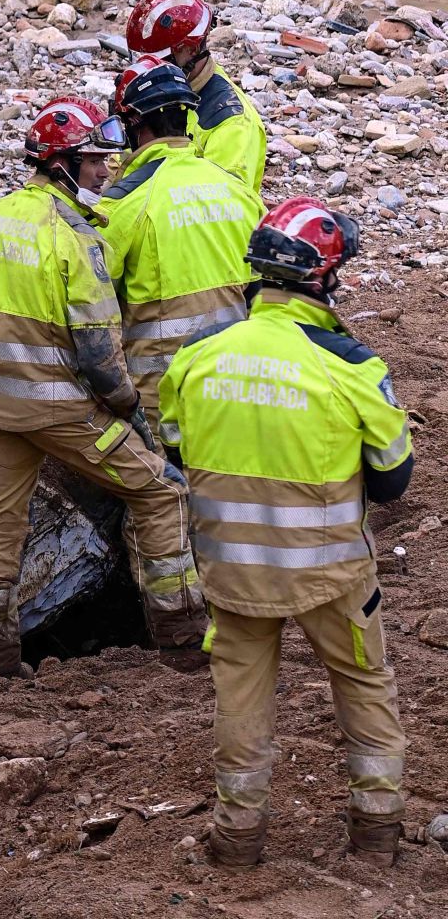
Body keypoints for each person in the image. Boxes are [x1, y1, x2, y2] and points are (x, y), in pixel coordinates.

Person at [160, 198, 413, 867]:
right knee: (363, 684)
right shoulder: (353, 366)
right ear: (322, 279)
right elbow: (393, 479)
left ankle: (238, 838)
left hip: (234, 575)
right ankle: (376, 835)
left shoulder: (196, 357)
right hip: (331, 575)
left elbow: (176, 449)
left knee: (241, 701)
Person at [0, 98, 206, 673]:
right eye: (94, 162)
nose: (106, 172)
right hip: (63, 411)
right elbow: (98, 354)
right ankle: (183, 639)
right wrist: (129, 408)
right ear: (62, 163)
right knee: (161, 492)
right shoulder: (76, 238)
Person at [97, 58, 262, 432]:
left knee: (165, 486)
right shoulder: (238, 192)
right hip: (236, 383)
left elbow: (88, 300)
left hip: (162, 398)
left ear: (134, 127)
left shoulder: (124, 203)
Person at [126, 0, 266, 195]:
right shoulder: (152, 92)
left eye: (158, 61)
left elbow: (222, 209)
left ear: (191, 51)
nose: (148, 70)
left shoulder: (231, 123)